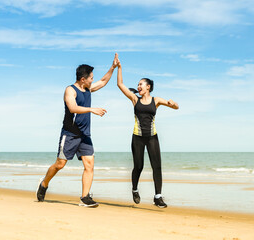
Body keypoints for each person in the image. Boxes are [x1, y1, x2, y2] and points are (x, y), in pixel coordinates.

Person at [36, 53, 119, 207]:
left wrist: (113, 67)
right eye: (91, 78)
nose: (93, 79)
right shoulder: (70, 90)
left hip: (85, 135)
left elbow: (103, 81)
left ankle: (85, 197)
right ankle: (44, 183)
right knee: (60, 164)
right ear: (83, 79)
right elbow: (72, 107)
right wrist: (92, 109)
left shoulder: (88, 88)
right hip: (70, 134)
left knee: (89, 165)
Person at [116, 54, 179, 208]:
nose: (138, 87)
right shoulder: (134, 99)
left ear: (148, 86)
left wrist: (173, 103)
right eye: (138, 85)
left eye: (141, 84)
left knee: (157, 166)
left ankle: (158, 196)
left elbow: (175, 106)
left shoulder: (155, 100)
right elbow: (120, 84)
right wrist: (119, 68)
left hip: (152, 137)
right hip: (137, 137)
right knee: (138, 166)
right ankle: (135, 189)